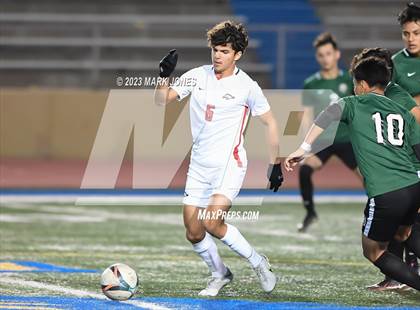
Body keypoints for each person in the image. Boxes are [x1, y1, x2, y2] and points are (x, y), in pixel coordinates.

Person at [154, 21, 283, 297]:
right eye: (215, 49)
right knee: (193, 232)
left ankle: (258, 262)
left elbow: (271, 122)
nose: (217, 56)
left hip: (230, 164)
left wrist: (275, 163)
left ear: (237, 54)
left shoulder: (247, 86)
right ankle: (220, 273)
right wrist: (164, 74)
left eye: (224, 51)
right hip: (199, 165)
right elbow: (162, 100)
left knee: (212, 223)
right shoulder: (198, 75)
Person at [285, 55, 420, 290]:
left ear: (364, 85)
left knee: (373, 251)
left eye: (356, 83)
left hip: (387, 190)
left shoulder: (354, 103)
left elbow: (326, 115)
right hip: (413, 186)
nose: (355, 88)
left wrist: (303, 148)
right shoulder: (403, 112)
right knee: (403, 233)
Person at [353, 48, 420, 291]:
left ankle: (404, 273)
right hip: (396, 173)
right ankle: (397, 276)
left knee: (403, 229)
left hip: (407, 170)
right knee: (401, 230)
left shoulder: (394, 94)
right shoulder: (367, 98)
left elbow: (415, 120)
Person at [298, 32, 359, 232]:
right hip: (323, 141)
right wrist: (305, 145)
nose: (325, 58)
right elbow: (306, 116)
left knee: (370, 178)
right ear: (317, 57)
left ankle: (378, 212)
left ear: (337, 54)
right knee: (305, 170)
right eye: (321, 55)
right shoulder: (311, 83)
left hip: (347, 139)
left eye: (328, 53)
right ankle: (310, 212)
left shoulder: (350, 80)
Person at [392, 2, 420, 106]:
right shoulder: (394, 64)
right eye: (406, 34)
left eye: (416, 33)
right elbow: (387, 103)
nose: (410, 39)